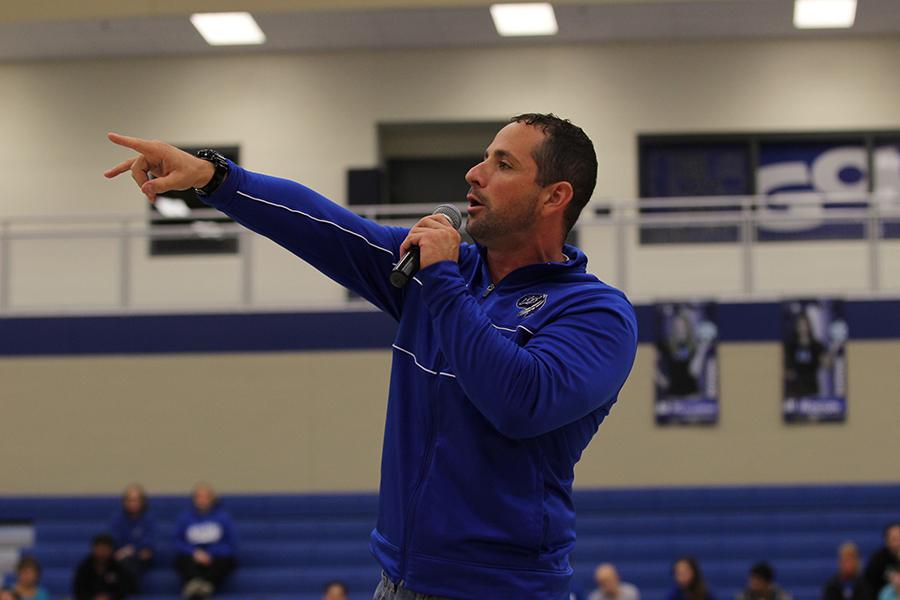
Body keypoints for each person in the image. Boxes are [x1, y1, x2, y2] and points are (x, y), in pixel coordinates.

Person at [104, 112, 638, 600]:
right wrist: (213, 176)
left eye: (503, 164)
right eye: (483, 157)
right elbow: (323, 226)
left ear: (554, 196)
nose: (475, 174)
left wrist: (444, 280)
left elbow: (519, 401)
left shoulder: (596, 314)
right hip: (398, 581)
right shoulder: (439, 270)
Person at [173, 483, 237, 600]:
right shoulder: (185, 517)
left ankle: (204, 586)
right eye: (198, 497)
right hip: (193, 556)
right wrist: (194, 552)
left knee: (226, 561)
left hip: (215, 557)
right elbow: (177, 541)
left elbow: (231, 543)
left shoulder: (223, 517)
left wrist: (211, 553)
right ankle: (195, 585)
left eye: (205, 497)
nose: (201, 500)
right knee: (181, 559)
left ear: (212, 499)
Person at [109, 483, 155, 593]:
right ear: (124, 502)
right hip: (121, 556)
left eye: (136, 500)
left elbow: (149, 542)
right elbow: (114, 539)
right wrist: (124, 551)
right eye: (130, 500)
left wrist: (132, 549)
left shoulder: (148, 519)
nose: (132, 503)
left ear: (142, 502)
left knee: (137, 558)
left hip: (141, 557)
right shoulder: (118, 520)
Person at [72, 533, 131, 600]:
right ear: (93, 549)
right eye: (99, 549)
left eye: (105, 549)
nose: (102, 553)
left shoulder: (118, 568)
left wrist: (108, 597)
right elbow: (79, 591)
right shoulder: (84, 568)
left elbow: (123, 591)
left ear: (111, 549)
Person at [865, 524, 900, 595]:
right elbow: (870, 586)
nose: (897, 543)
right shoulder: (877, 560)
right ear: (886, 540)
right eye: (894, 539)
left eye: (899, 538)